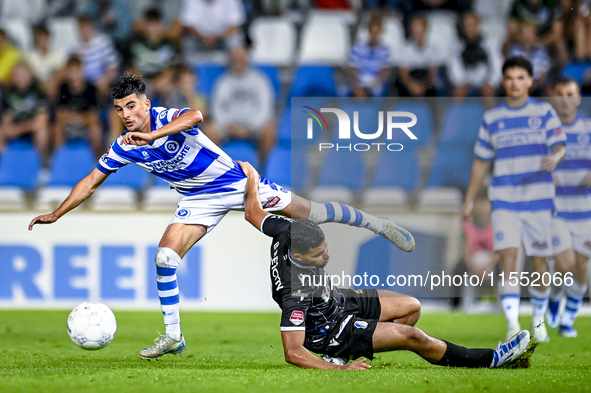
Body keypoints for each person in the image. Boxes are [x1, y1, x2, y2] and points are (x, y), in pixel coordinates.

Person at [28, 73, 416, 360]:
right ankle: (173, 336)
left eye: (132, 106)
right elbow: (91, 181)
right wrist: (57, 213)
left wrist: (152, 135)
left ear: (146, 104)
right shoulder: (124, 146)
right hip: (197, 199)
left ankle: (374, 223)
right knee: (165, 258)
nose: (127, 115)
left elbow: (196, 115)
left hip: (235, 182)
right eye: (119, 109)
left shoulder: (167, 118)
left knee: (312, 212)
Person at [239, 160, 531, 370]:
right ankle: (491, 358)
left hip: (339, 299)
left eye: (325, 248)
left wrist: (251, 176)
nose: (326, 257)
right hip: (333, 329)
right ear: (300, 258)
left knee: (412, 307)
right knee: (412, 336)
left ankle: (360, 343)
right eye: (319, 255)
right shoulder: (295, 294)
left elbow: (253, 212)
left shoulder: (286, 232)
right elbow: (293, 351)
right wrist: (338, 371)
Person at [462, 56, 567, 343]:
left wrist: (555, 158)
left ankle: (538, 321)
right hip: (505, 200)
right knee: (508, 257)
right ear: (503, 81)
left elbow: (560, 146)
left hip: (539, 199)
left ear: (531, 81)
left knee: (539, 261)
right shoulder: (493, 118)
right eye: (510, 77)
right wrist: (470, 199)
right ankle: (511, 323)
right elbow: (481, 162)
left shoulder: (544, 112)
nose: (515, 83)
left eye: (521, 77)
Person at [546, 76, 591, 338]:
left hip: (585, 210)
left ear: (578, 98)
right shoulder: (545, 131)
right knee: (566, 265)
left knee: (582, 268)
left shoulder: (587, 128)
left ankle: (568, 319)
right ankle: (554, 295)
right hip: (556, 210)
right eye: (560, 94)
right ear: (554, 97)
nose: (565, 99)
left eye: (570, 94)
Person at [209, 46, 275, 161]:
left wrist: (250, 127)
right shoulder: (223, 81)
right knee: (210, 131)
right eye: (235, 59)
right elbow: (217, 108)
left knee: (269, 130)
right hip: (229, 126)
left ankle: (263, 167)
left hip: (253, 126)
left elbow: (265, 108)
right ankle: (216, 168)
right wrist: (229, 126)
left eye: (240, 59)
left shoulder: (260, 80)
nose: (237, 62)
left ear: (247, 60)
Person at [0, 62, 50, 161]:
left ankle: (42, 163)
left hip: (31, 128)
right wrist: (13, 128)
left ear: (31, 74)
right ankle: (5, 162)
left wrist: (22, 128)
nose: (20, 77)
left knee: (42, 128)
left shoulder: (38, 91)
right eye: (17, 74)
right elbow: (6, 118)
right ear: (13, 77)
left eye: (23, 73)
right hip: (16, 127)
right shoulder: (8, 93)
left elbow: (42, 116)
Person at [54, 57, 103, 157]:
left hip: (85, 126)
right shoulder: (63, 88)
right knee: (57, 127)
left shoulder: (91, 88)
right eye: (72, 71)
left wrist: (79, 118)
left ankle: (97, 159)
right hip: (68, 125)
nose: (75, 74)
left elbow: (94, 115)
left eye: (77, 70)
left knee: (95, 129)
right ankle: (58, 158)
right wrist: (75, 118)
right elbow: (60, 114)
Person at [448, 12, 502, 98]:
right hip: (467, 81)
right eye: (467, 25)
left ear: (478, 25)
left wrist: (491, 82)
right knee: (458, 93)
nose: (470, 28)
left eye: (472, 25)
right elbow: (454, 68)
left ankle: (492, 111)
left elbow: (497, 65)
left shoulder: (490, 42)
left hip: (486, 80)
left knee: (488, 93)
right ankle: (457, 111)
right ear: (463, 28)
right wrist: (461, 82)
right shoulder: (457, 45)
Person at [393, 16, 441, 97]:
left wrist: (423, 87)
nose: (418, 35)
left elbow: (432, 73)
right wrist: (412, 86)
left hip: (425, 82)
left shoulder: (433, 50)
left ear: (425, 31)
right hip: (410, 81)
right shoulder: (406, 48)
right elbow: (403, 73)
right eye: (415, 32)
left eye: (420, 31)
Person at [348, 15, 391, 98]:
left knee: (379, 91)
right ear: (369, 32)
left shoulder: (385, 50)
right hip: (360, 82)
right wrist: (356, 85)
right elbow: (352, 70)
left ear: (380, 33)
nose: (374, 35)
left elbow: (385, 72)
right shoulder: (358, 48)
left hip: (376, 84)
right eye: (373, 32)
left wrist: (373, 85)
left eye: (377, 32)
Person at [506, 22, 550, 97]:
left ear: (535, 35)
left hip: (537, 85)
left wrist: (532, 86)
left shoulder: (541, 50)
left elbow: (543, 74)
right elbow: (510, 69)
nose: (526, 36)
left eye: (529, 33)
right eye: (524, 33)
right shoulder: (514, 50)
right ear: (519, 36)